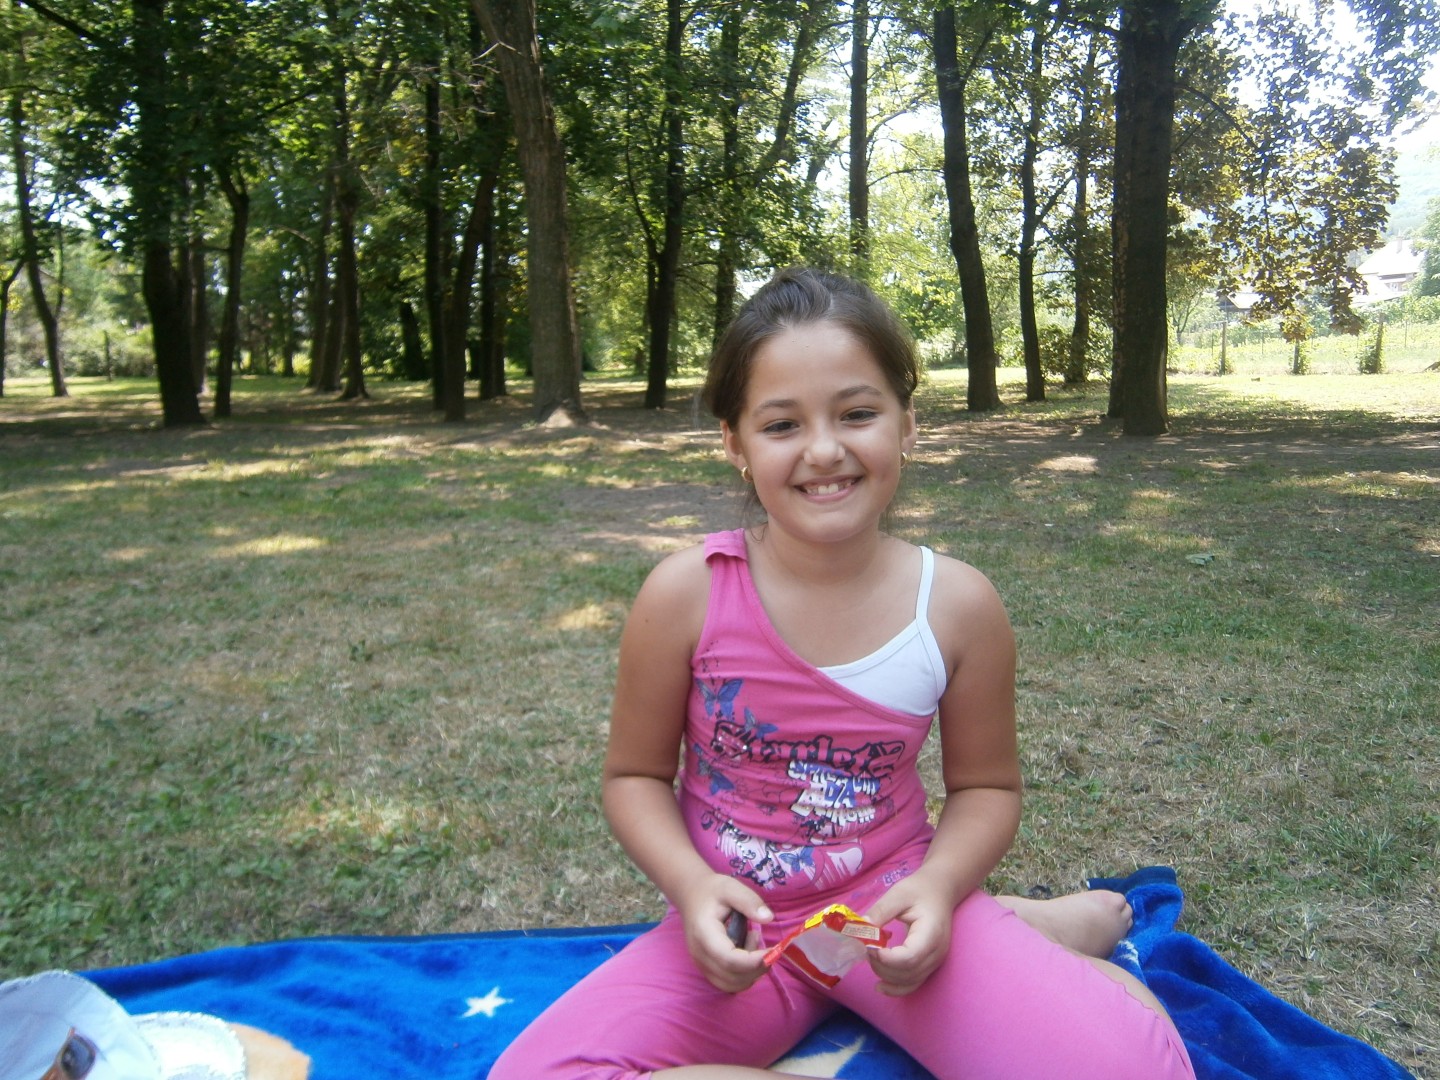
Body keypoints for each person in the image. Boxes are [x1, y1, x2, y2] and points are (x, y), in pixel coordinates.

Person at [489, 268, 1195, 1080]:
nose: (824, 450)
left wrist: (939, 890)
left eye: (857, 413)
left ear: (907, 424)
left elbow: (987, 789)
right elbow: (634, 777)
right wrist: (692, 888)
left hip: (890, 918)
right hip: (743, 932)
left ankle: (1006, 927)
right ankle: (1022, 927)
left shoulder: (957, 606)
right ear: (736, 444)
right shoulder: (684, 594)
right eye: (781, 424)